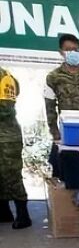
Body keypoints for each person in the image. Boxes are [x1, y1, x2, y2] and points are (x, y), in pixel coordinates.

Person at [44, 33, 79, 189]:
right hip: (67, 133)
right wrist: (55, 134)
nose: (73, 52)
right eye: (68, 49)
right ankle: (71, 205)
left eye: (75, 49)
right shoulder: (53, 77)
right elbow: (49, 107)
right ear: (61, 52)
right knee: (70, 176)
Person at [0, 65, 31, 229]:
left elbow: (6, 110)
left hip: (6, 137)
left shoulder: (5, 77)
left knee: (11, 175)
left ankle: (23, 214)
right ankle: (4, 212)